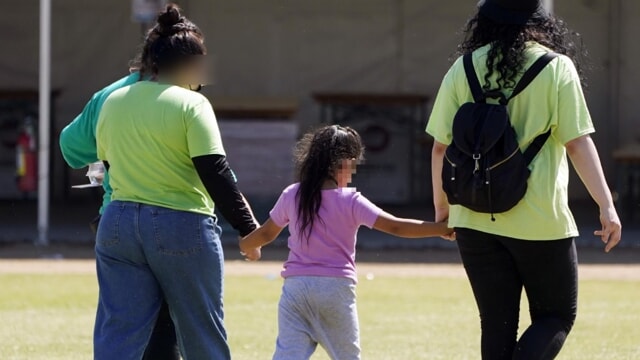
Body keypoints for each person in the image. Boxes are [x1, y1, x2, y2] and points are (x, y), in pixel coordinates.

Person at [427, 0, 622, 359]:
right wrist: (606, 206)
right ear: (542, 23)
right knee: (555, 315)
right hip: (539, 219)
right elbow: (577, 143)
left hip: (472, 218)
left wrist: (443, 210)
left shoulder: (463, 67)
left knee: (496, 323)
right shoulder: (556, 67)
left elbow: (440, 147)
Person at [94, 4, 258, 359]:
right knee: (201, 333)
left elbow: (107, 165)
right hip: (181, 225)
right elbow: (215, 171)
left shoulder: (113, 101)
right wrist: (249, 230)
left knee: (118, 336)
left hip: (117, 224)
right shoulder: (192, 105)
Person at [239, 125, 452, 360]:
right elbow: (396, 226)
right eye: (353, 165)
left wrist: (246, 245)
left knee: (287, 356)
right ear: (344, 163)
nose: (353, 173)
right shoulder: (351, 201)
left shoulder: (293, 194)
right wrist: (442, 228)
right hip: (335, 290)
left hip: (296, 290)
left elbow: (267, 234)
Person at [59, 47, 180, 360]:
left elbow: (71, 148)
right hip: (175, 220)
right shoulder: (181, 95)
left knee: (120, 326)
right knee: (170, 325)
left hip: (118, 220)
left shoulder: (109, 95)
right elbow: (213, 168)